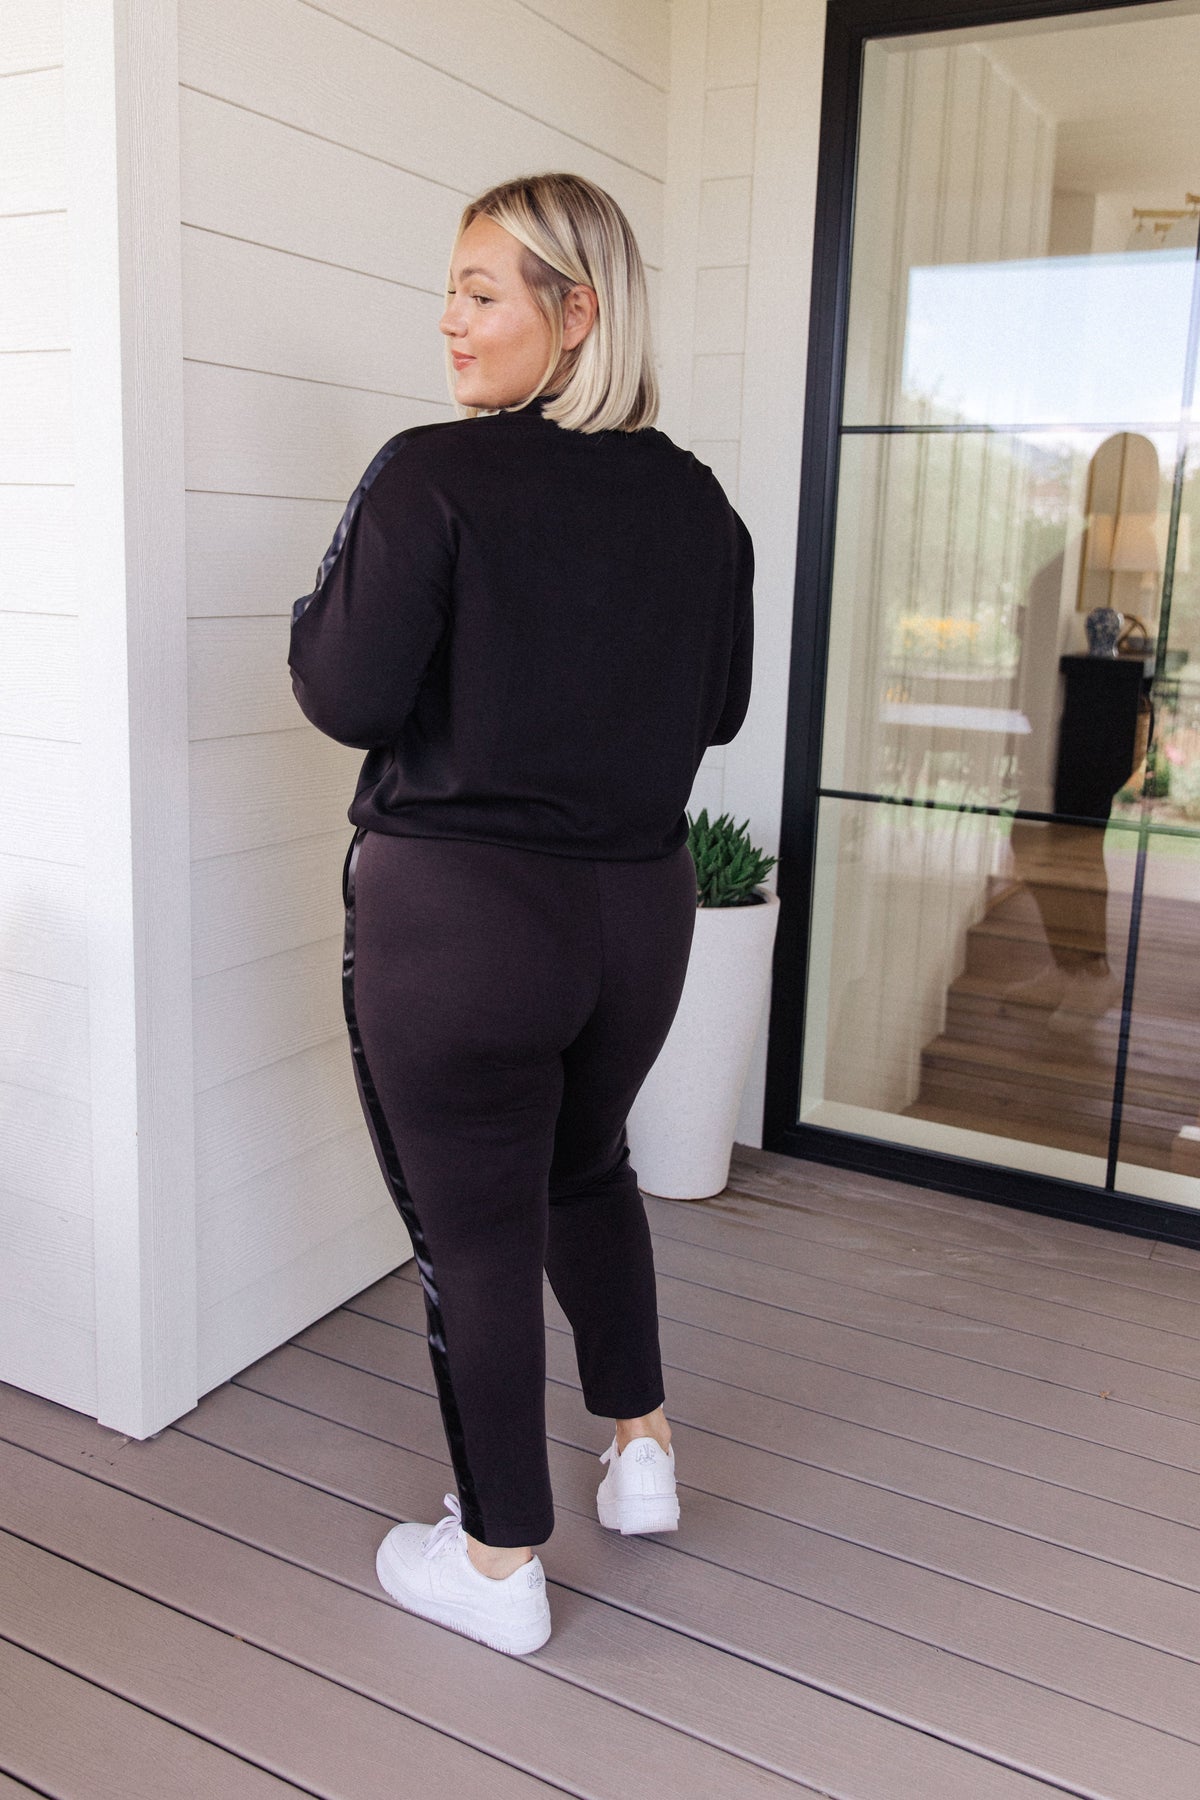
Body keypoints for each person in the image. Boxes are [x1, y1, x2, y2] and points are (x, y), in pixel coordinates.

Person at [287, 171, 755, 1655]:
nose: (451, 321)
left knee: (476, 1231)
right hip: (638, 920)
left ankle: (497, 1565)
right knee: (584, 1166)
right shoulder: (700, 504)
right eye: (453, 290)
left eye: (483, 293)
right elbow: (720, 709)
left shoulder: (431, 476)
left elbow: (343, 692)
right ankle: (640, 1450)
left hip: (462, 924)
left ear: (578, 311)